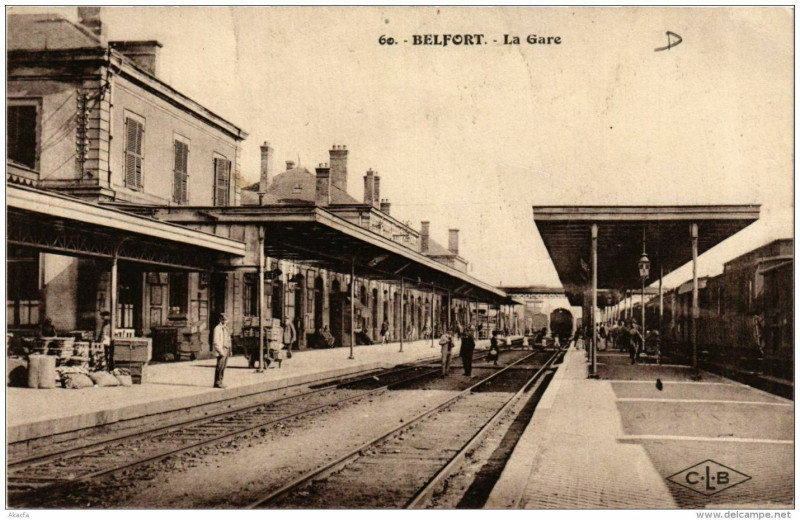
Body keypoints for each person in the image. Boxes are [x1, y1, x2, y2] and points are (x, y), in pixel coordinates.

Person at [213, 313, 232, 388]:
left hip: (226, 348)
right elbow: (216, 341)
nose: (225, 321)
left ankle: (221, 381)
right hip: (221, 349)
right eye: (223, 320)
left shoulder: (226, 328)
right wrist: (220, 351)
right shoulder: (217, 328)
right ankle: (217, 382)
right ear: (220, 319)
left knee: (224, 367)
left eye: (226, 320)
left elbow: (229, 339)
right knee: (220, 367)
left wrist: (230, 350)